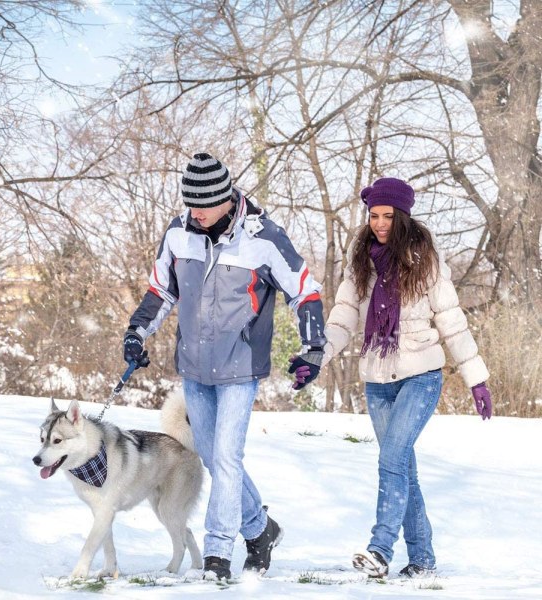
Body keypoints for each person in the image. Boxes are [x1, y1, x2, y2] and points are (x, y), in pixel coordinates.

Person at [123, 152, 326, 580]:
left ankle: (218, 554)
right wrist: (136, 333)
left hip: (240, 365)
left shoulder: (264, 238)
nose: (194, 212)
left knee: (228, 458)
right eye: (189, 203)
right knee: (215, 459)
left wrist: (313, 347)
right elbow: (161, 290)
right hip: (195, 367)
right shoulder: (179, 234)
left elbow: (304, 291)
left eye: (203, 204)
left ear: (226, 199)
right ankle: (260, 529)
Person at [318, 177, 492, 579]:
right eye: (374, 215)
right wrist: (318, 356)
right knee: (402, 469)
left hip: (420, 376)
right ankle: (423, 560)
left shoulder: (424, 260)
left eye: (388, 216)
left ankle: (380, 548)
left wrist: (475, 377)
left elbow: (452, 321)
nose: (379, 223)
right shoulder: (361, 259)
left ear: (403, 216)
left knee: (392, 459)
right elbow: (344, 316)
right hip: (377, 379)